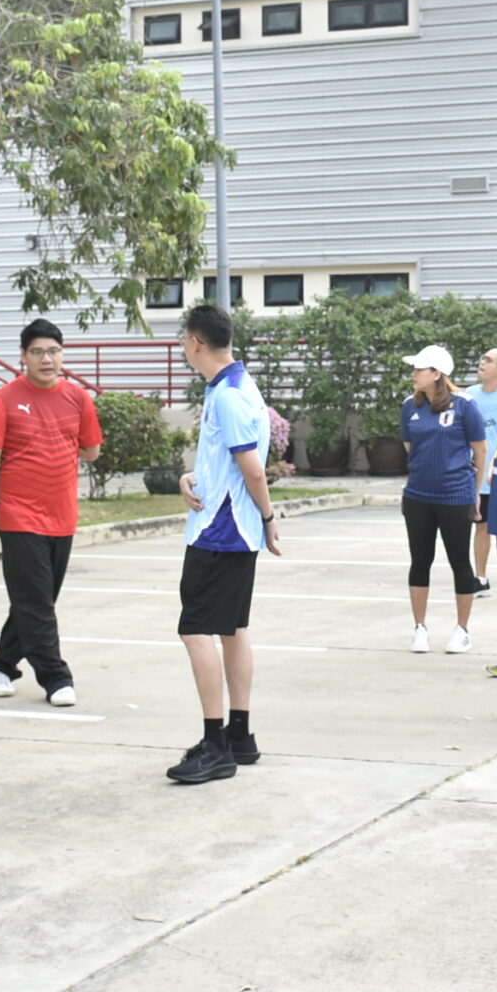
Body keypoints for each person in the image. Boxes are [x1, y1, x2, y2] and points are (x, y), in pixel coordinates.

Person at [167, 303, 284, 785]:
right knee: (233, 629)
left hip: (220, 531)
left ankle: (215, 745)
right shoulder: (236, 385)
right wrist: (191, 476)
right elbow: (229, 462)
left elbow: (252, 468)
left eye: (184, 340)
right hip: (232, 526)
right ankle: (239, 734)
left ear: (196, 342)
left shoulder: (229, 396)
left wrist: (270, 517)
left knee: (196, 631)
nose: (183, 347)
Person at [0, 319, 104, 707]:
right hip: (19, 516)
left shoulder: (78, 398)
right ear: (23, 356)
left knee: (37, 599)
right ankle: (56, 677)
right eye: (38, 352)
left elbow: (92, 450)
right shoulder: (4, 399)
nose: (47, 359)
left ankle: (2, 664)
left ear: (62, 355)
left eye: (53, 351)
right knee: (36, 603)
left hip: (62, 517)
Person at [399, 344, 488, 655]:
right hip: (418, 496)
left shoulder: (465, 406)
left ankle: (462, 630)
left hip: (456, 496)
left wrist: (475, 493)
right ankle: (420, 628)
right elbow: (410, 446)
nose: (414, 374)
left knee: (459, 562)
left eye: (420, 369)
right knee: (419, 561)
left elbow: (480, 450)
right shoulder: (410, 406)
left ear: (437, 374)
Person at [465, 347, 497, 596]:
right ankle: (481, 579)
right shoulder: (469, 396)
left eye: (489, 360)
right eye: (482, 358)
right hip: (477, 476)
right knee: (480, 527)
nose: (482, 363)